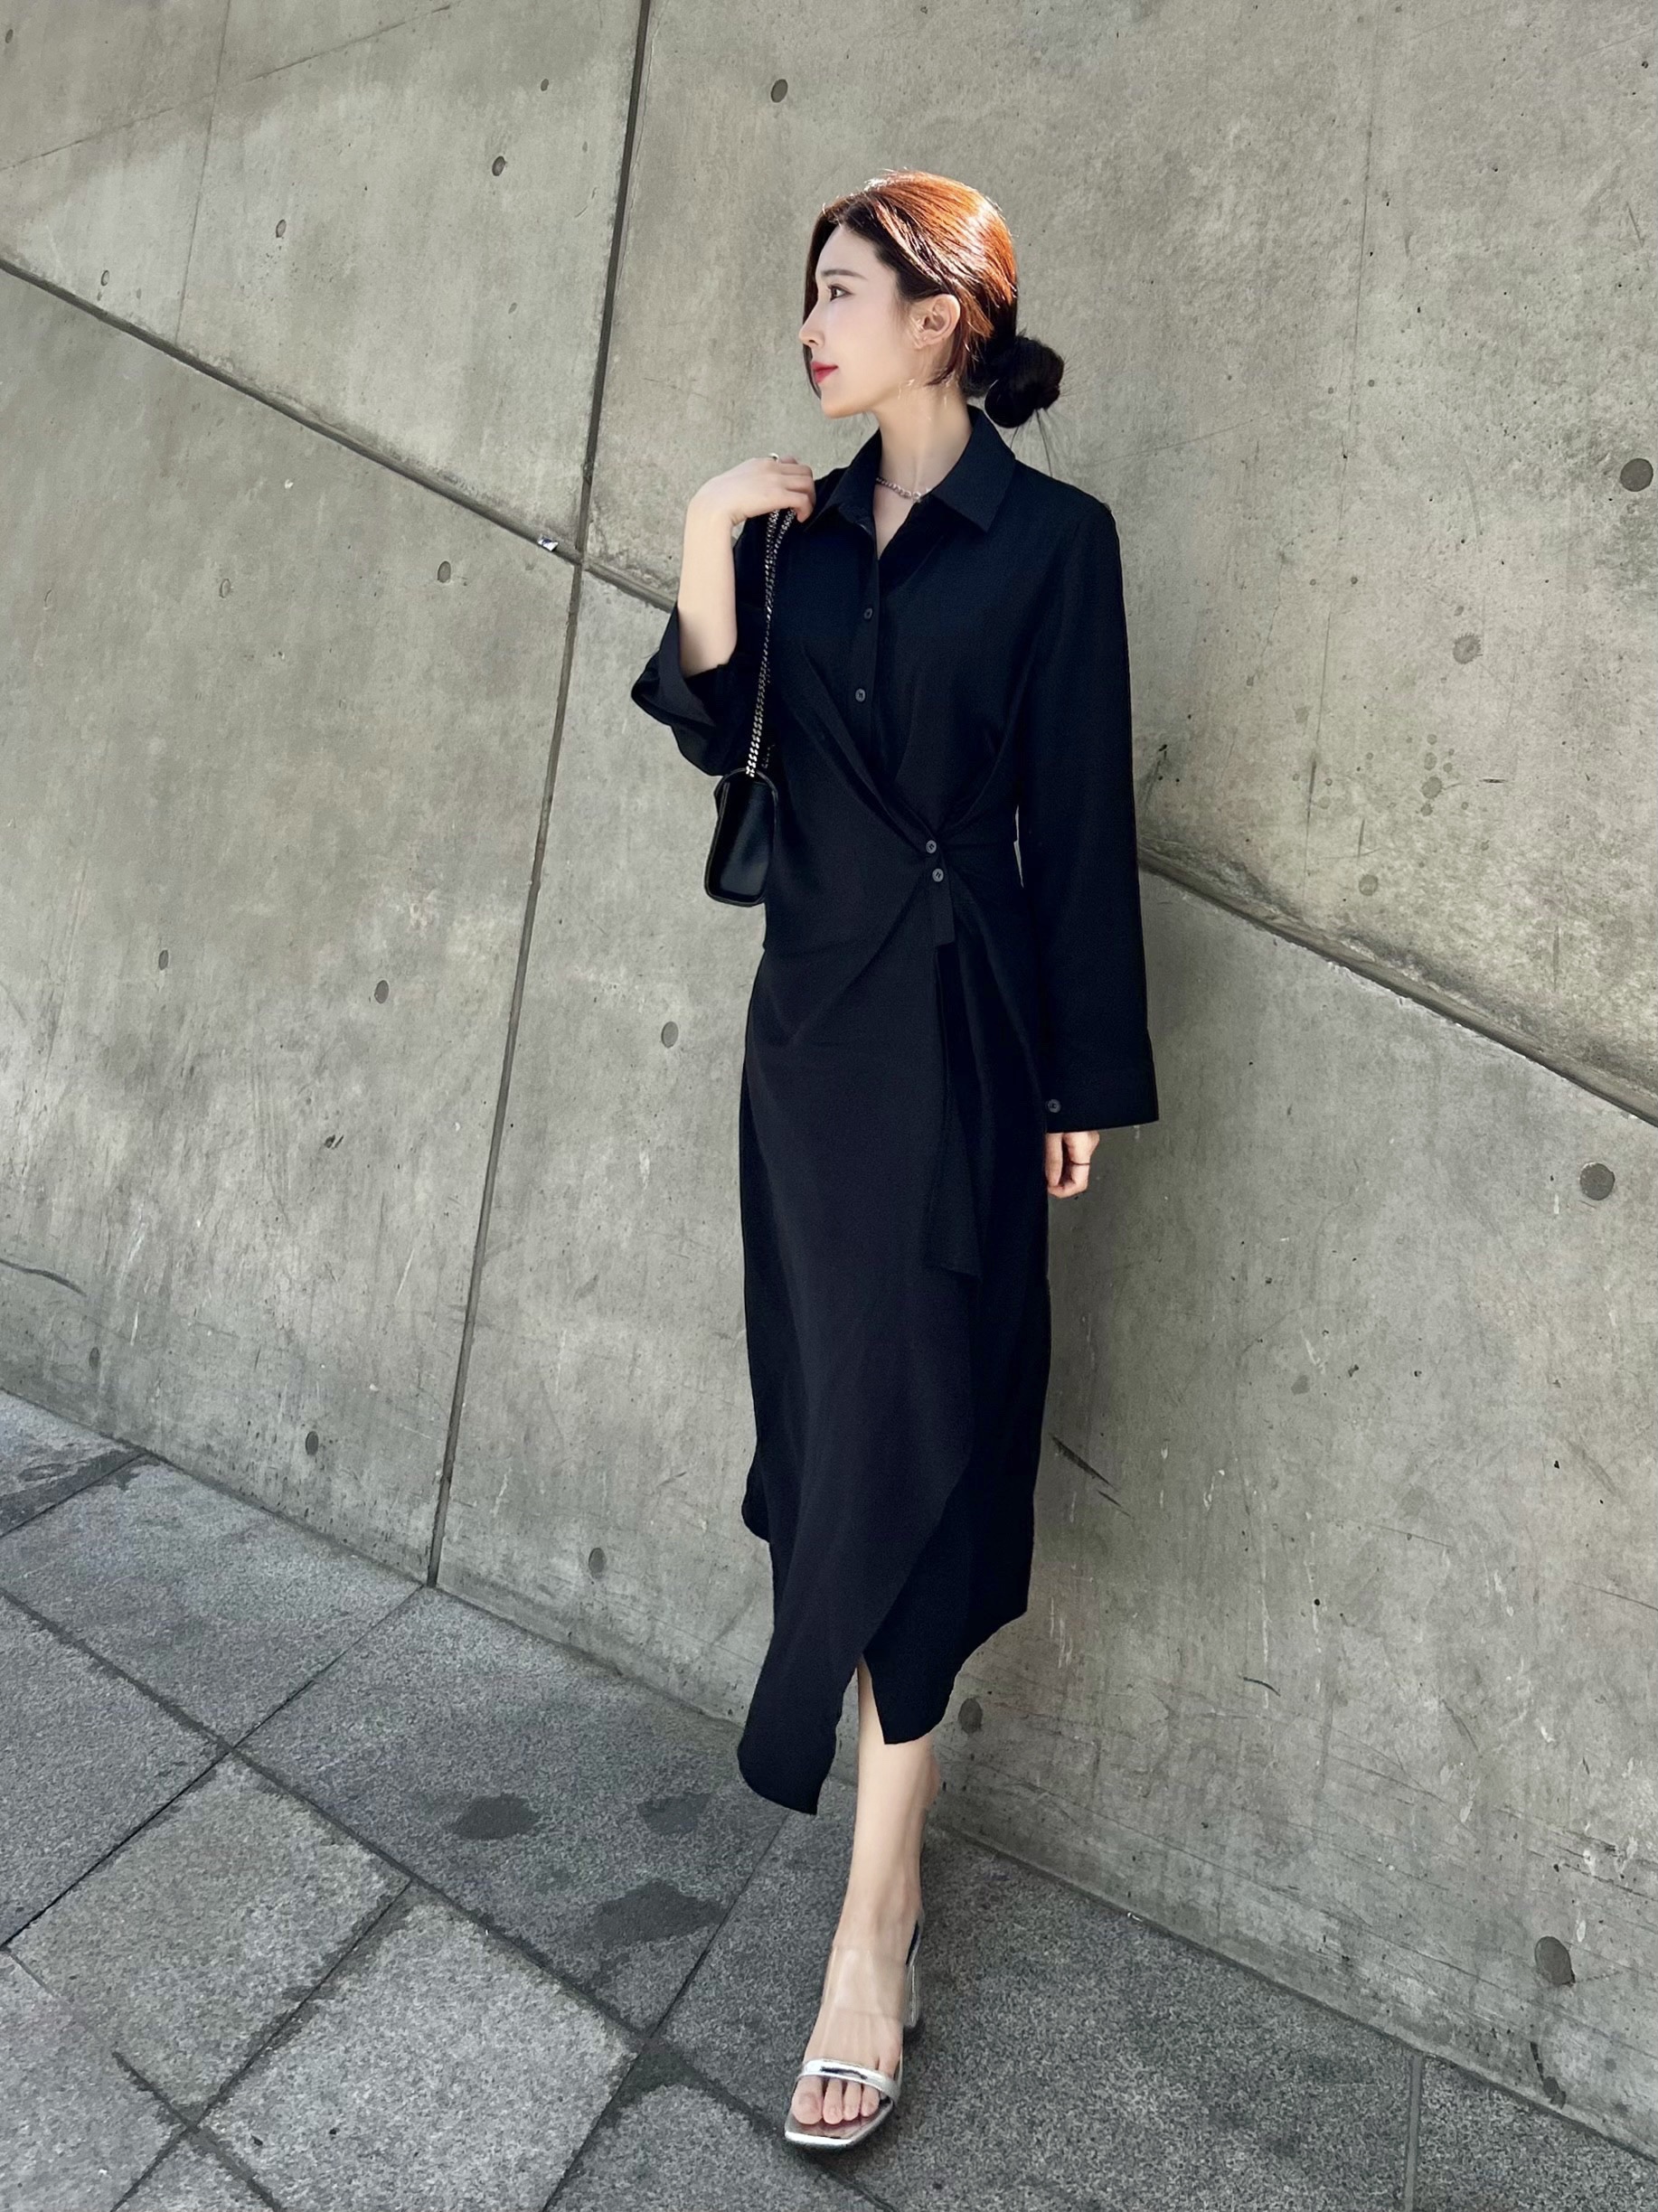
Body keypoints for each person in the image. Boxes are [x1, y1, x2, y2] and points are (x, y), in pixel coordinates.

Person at [629, 169, 1159, 2151]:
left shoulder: (1055, 545)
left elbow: (1080, 823)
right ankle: (888, 1870)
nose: (812, 326)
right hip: (810, 1057)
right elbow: (718, 735)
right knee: (835, 1436)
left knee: (923, 1441)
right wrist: (705, 531)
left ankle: (873, 1923)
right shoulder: (792, 535)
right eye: (808, 294)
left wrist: (1080, 1078)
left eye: (844, 292)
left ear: (945, 318)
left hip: (967, 1045)